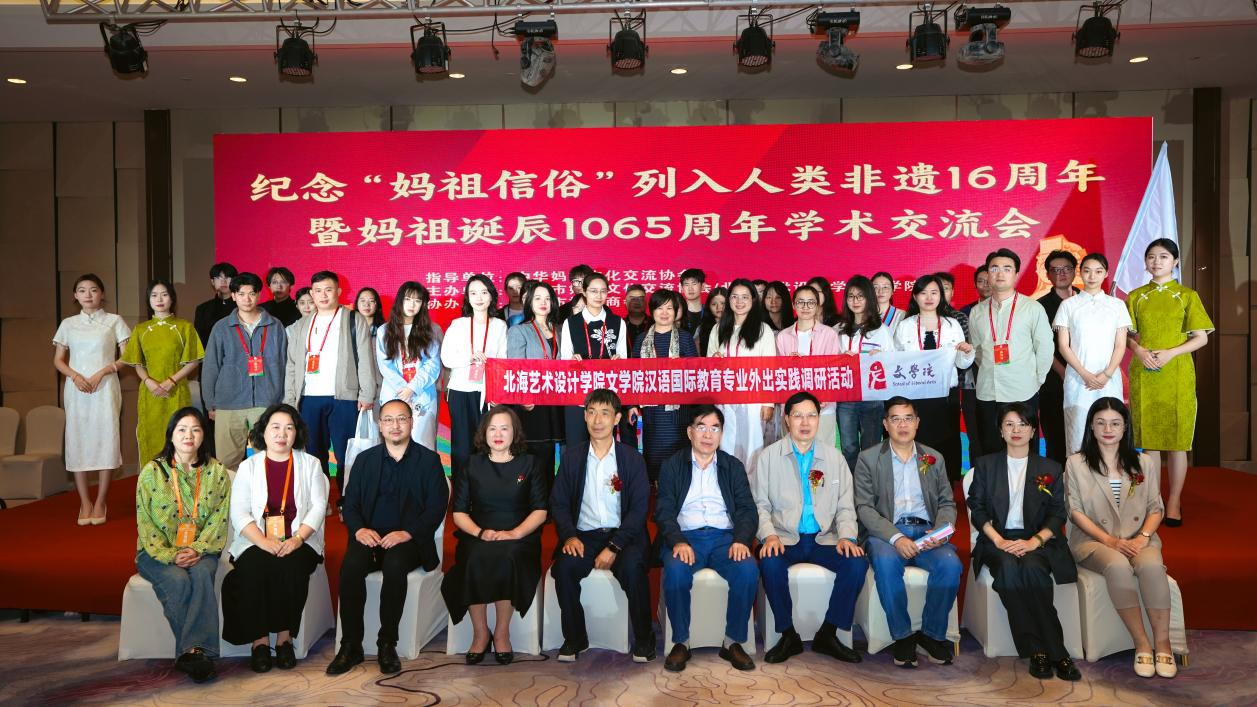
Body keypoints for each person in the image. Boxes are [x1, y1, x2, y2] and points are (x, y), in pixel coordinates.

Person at [327, 399, 449, 676]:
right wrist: (359, 529)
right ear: (380, 426)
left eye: (402, 419)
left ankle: (387, 643)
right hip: (369, 536)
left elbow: (437, 506)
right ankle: (351, 645)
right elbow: (351, 503)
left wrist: (408, 532)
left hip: (409, 539)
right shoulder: (365, 460)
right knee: (350, 567)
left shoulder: (428, 461)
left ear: (411, 423)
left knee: (395, 565)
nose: (396, 425)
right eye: (389, 420)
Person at [967, 403, 1081, 681]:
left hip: (1037, 540)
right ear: (1000, 431)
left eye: (1023, 424)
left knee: (1032, 569)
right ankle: (1048, 651)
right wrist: (998, 540)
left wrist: (1034, 542)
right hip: (997, 540)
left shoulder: (1050, 468)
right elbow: (976, 508)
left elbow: (1057, 514)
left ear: (1033, 431)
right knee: (1007, 570)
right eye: (1009, 424)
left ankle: (1044, 650)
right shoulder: (985, 465)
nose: (1016, 430)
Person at [1065, 397, 1176, 678]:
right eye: (1101, 423)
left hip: (1139, 537)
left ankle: (1163, 643)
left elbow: (1156, 508)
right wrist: (1111, 541)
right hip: (1093, 540)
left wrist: (1143, 537)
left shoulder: (1143, 462)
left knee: (1152, 566)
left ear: (1125, 427)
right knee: (1117, 566)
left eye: (1115, 423)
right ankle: (1142, 643)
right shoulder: (1076, 463)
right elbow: (1075, 512)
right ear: (1091, 426)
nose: (1108, 429)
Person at [755, 392, 867, 665]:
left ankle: (829, 632)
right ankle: (788, 635)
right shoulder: (768, 457)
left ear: (819, 419)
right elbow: (760, 506)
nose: (805, 423)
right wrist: (769, 535)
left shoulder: (835, 458)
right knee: (769, 562)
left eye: (811, 416)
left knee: (856, 562)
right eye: (798, 416)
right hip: (784, 538)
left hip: (825, 539)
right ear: (786, 419)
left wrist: (847, 537)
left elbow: (845, 507)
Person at [854, 397, 962, 669]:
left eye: (908, 418)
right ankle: (902, 636)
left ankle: (932, 635)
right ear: (885, 424)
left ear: (917, 422)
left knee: (951, 565)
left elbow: (947, 503)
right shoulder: (869, 458)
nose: (902, 425)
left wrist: (940, 532)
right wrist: (896, 538)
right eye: (895, 419)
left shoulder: (933, 458)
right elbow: (864, 508)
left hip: (927, 532)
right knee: (886, 562)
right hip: (887, 533)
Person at [549, 390, 655, 662]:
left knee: (633, 568)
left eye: (605, 413)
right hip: (583, 536)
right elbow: (559, 503)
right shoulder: (572, 458)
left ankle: (645, 638)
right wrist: (569, 536)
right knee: (564, 569)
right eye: (592, 412)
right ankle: (576, 637)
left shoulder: (631, 458)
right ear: (584, 416)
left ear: (617, 418)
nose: (597, 420)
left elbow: (639, 509)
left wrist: (615, 546)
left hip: (624, 536)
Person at [222, 404, 328, 673]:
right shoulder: (248, 466)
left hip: (299, 538)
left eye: (289, 428)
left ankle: (284, 639)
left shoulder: (311, 464)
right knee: (254, 568)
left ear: (297, 433)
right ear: (263, 432)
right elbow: (239, 512)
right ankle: (259, 642)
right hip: (256, 539)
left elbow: (318, 507)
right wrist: (263, 541)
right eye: (275, 427)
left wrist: (297, 539)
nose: (282, 434)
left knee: (291, 566)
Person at [655, 405, 760, 673]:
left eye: (715, 428)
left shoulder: (732, 466)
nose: (708, 435)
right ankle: (681, 642)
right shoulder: (672, 465)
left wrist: (741, 540)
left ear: (721, 434)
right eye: (701, 427)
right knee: (676, 572)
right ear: (690, 432)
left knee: (747, 570)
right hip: (685, 537)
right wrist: (677, 541)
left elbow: (747, 510)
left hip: (725, 539)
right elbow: (664, 511)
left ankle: (733, 641)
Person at [442, 406, 548, 665]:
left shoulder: (530, 463)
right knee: (473, 558)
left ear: (515, 432)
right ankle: (480, 633)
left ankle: (501, 633)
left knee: (508, 556)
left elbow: (540, 510)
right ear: (484, 433)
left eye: (504, 429)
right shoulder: (471, 464)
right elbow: (459, 513)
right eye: (492, 429)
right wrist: (480, 532)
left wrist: (515, 532)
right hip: (478, 533)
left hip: (520, 536)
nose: (498, 435)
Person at [134, 407, 231, 683]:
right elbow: (145, 523)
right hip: (155, 551)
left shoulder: (216, 471)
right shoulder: (152, 472)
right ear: (171, 435)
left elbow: (219, 518)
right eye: (182, 429)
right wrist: (171, 555)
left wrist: (197, 548)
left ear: (204, 435)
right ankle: (197, 652)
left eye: (196, 429)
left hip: (202, 549)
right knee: (177, 580)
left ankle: (190, 654)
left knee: (201, 574)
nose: (189, 435)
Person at [1125, 238, 1213, 527]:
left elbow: (1201, 338)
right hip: (1145, 371)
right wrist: (1139, 351)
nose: (1156, 261)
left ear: (1175, 261)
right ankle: (1155, 502)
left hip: (1176, 373)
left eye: (1163, 256)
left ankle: (1174, 500)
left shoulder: (1187, 295)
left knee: (1177, 442)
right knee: (1149, 443)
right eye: (1151, 256)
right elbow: (1126, 335)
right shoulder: (1136, 296)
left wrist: (1171, 353)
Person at [284, 271, 377, 500]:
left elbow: (365, 359)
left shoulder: (353, 319)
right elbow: (292, 364)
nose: (323, 295)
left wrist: (367, 393)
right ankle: (321, 499)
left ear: (338, 291)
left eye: (328, 290)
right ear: (312, 293)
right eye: (318, 291)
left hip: (344, 397)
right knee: (314, 452)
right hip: (309, 397)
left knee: (347, 453)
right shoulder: (301, 325)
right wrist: (290, 399)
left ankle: (348, 501)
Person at [53, 273, 131, 525]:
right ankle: (85, 502)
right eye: (82, 290)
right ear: (75, 296)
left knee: (107, 438)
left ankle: (100, 501)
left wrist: (103, 372)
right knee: (77, 440)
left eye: (94, 289)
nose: (88, 294)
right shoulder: (68, 324)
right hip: (76, 390)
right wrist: (75, 376)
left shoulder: (114, 321)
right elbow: (58, 360)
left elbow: (127, 357)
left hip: (105, 387)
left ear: (102, 294)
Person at [969, 249, 1054, 455]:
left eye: (1007, 269)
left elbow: (1045, 348)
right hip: (988, 392)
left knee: (1025, 451)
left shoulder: (1032, 308)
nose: (1000, 273)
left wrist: (1036, 380)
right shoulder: (977, 311)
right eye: (994, 268)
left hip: (1022, 390)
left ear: (1016, 274)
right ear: (988, 273)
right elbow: (977, 352)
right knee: (991, 450)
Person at [201, 272, 288, 471]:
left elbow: (285, 364)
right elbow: (211, 366)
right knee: (227, 463)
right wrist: (210, 402)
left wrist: (283, 399)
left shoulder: (275, 326)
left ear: (259, 295)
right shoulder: (221, 327)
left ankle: (265, 493)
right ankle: (232, 494)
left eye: (251, 293)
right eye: (241, 294)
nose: (246, 299)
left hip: (267, 403)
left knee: (269, 460)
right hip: (228, 404)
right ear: (233, 296)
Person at [892, 275, 975, 481]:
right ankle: (917, 485)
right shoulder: (905, 326)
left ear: (941, 296)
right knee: (918, 441)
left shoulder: (952, 324)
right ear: (915, 297)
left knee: (948, 442)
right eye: (923, 293)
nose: (929, 298)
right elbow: (896, 360)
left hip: (946, 394)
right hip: (915, 394)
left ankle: (948, 486)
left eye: (934, 292)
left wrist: (966, 352)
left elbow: (961, 364)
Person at [122, 280, 204, 468]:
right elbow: (137, 363)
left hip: (177, 391)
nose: (159, 299)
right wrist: (148, 381)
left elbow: (194, 361)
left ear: (172, 298)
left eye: (164, 294)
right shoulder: (140, 329)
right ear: (148, 299)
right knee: (151, 436)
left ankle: (180, 483)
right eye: (154, 295)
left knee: (181, 437)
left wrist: (171, 380)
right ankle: (152, 483)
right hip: (150, 393)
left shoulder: (184, 327)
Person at [1054, 253, 1131, 455]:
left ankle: (1110, 475)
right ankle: (1076, 476)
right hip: (1078, 380)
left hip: (1109, 380)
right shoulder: (1068, 305)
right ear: (1080, 273)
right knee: (1077, 436)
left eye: (1098, 271)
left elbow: (1120, 345)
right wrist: (1084, 374)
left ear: (1106, 274)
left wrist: (1106, 374)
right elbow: (1063, 346)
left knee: (1109, 433)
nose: (1092, 276)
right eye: (1087, 271)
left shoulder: (1117, 305)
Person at [443, 275, 510, 484]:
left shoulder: (500, 325)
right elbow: (446, 358)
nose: (479, 298)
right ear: (467, 298)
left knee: (487, 444)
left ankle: (485, 490)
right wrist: (469, 358)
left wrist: (498, 392)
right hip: (460, 391)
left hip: (488, 393)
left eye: (483, 292)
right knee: (462, 447)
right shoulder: (458, 324)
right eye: (473, 293)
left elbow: (503, 361)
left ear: (491, 296)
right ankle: (462, 492)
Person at [630, 289, 699, 482]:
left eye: (669, 308)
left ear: (676, 311)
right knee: (654, 459)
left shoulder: (684, 338)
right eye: (659, 308)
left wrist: (682, 366)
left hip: (679, 412)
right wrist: (632, 405)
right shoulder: (641, 340)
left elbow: (697, 374)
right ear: (651, 311)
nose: (664, 312)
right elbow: (632, 376)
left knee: (679, 461)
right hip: (652, 412)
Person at [708, 279, 775, 469]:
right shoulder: (718, 328)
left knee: (753, 447)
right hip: (725, 399)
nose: (739, 302)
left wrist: (768, 402)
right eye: (735, 297)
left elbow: (769, 367)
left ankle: (751, 487)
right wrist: (714, 361)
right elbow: (709, 365)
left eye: (745, 297)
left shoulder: (763, 330)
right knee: (725, 445)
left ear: (753, 300)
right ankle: (728, 484)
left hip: (752, 399)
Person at [560, 272, 628, 445]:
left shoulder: (618, 322)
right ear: (584, 292)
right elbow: (565, 360)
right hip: (578, 393)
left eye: (603, 291)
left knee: (604, 444)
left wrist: (619, 361)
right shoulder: (571, 322)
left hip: (608, 393)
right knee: (576, 445)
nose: (599, 296)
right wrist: (571, 360)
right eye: (593, 291)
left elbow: (624, 361)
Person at [834, 275, 893, 469]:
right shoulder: (838, 330)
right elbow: (829, 362)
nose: (855, 301)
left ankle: (870, 485)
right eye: (851, 296)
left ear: (869, 298)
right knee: (849, 448)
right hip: (846, 397)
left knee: (871, 448)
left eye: (860, 296)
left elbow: (893, 363)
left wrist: (881, 357)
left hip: (872, 397)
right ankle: (851, 486)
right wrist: (840, 358)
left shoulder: (882, 330)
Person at [506, 281, 564, 479]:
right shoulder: (519, 330)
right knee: (534, 455)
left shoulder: (560, 330)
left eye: (547, 298)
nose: (543, 302)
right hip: (531, 401)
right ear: (529, 302)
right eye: (538, 298)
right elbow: (515, 369)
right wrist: (523, 396)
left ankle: (550, 496)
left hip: (556, 400)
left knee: (550, 453)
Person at [376, 282, 442, 451]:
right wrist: (403, 390)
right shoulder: (384, 330)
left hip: (422, 396)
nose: (412, 305)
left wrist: (412, 388)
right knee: (394, 444)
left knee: (423, 445)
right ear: (400, 300)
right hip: (394, 393)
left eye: (417, 301)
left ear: (423, 304)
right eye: (408, 299)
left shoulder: (431, 330)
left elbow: (433, 364)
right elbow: (385, 366)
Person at [775, 285, 841, 447]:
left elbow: (834, 370)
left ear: (817, 305)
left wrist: (824, 397)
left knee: (823, 454)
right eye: (801, 302)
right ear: (793, 305)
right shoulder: (783, 336)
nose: (805, 307)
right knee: (791, 454)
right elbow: (778, 373)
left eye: (811, 302)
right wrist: (789, 364)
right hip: (792, 408)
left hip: (823, 407)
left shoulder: (829, 334)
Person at [1036, 250, 1079, 465]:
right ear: (1048, 275)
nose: (1061, 274)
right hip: (1054, 380)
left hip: (1086, 379)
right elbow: (1041, 346)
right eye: (1056, 270)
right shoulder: (1039, 306)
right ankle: (1056, 482)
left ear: (1075, 271)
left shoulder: (1088, 301)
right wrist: (1063, 372)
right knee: (1056, 437)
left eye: (1066, 269)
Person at [959, 265, 991, 461]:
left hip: (1000, 381)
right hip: (972, 381)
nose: (985, 285)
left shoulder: (1010, 311)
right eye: (981, 281)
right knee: (975, 433)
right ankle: (974, 474)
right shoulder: (965, 312)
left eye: (989, 280)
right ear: (975, 285)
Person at [194, 262, 238, 348]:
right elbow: (199, 339)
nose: (223, 281)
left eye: (227, 277)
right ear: (212, 282)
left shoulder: (242, 307)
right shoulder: (202, 309)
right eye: (218, 278)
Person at [696, 286, 728, 356]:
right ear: (708, 306)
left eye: (723, 303)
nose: (719, 307)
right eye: (714, 304)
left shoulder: (736, 326)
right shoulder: (701, 329)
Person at [679, 268, 707, 336]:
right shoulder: (678, 311)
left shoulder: (709, 311)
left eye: (694, 284)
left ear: (703, 286)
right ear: (682, 288)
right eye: (686, 284)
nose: (690, 288)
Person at [623, 283, 650, 347]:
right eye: (632, 299)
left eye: (641, 299)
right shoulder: (619, 324)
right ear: (626, 303)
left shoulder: (654, 323)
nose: (637, 302)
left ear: (646, 303)